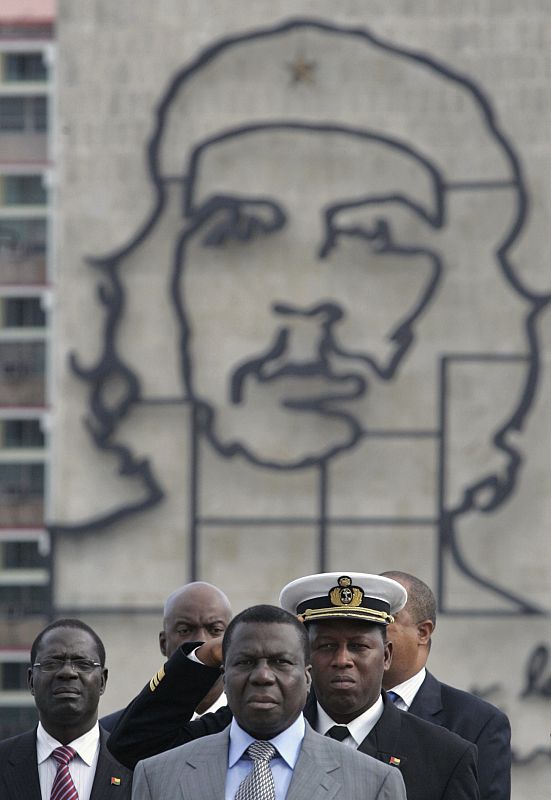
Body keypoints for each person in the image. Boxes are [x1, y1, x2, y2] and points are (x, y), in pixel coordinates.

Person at [58, 17, 548, 617]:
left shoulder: (503, 657)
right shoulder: (88, 617)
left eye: (374, 236)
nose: (306, 292)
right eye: (239, 231)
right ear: (159, 284)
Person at [109, 573, 479, 800]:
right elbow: (135, 745)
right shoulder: (254, 719)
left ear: (385, 655)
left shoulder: (444, 757)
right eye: (326, 646)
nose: (342, 659)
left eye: (358, 646)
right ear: (306, 662)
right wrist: (211, 655)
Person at [131, 604, 406, 800]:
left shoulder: (374, 783)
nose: (262, 676)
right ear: (224, 675)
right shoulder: (158, 776)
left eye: (280, 662)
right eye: (245, 662)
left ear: (307, 677)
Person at [380, 570, 511, 800]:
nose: (367, 633)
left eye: (384, 620)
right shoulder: (316, 709)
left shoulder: (477, 723)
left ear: (423, 632)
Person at [0, 618, 132, 800]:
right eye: (52, 663)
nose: (67, 672)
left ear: (102, 681)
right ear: (31, 681)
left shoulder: (136, 768)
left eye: (83, 664)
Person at [101, 580, 232, 731]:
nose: (202, 642)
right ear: (164, 644)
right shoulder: (115, 732)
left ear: (232, 641)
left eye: (215, 630)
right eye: (185, 630)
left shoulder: (251, 725)